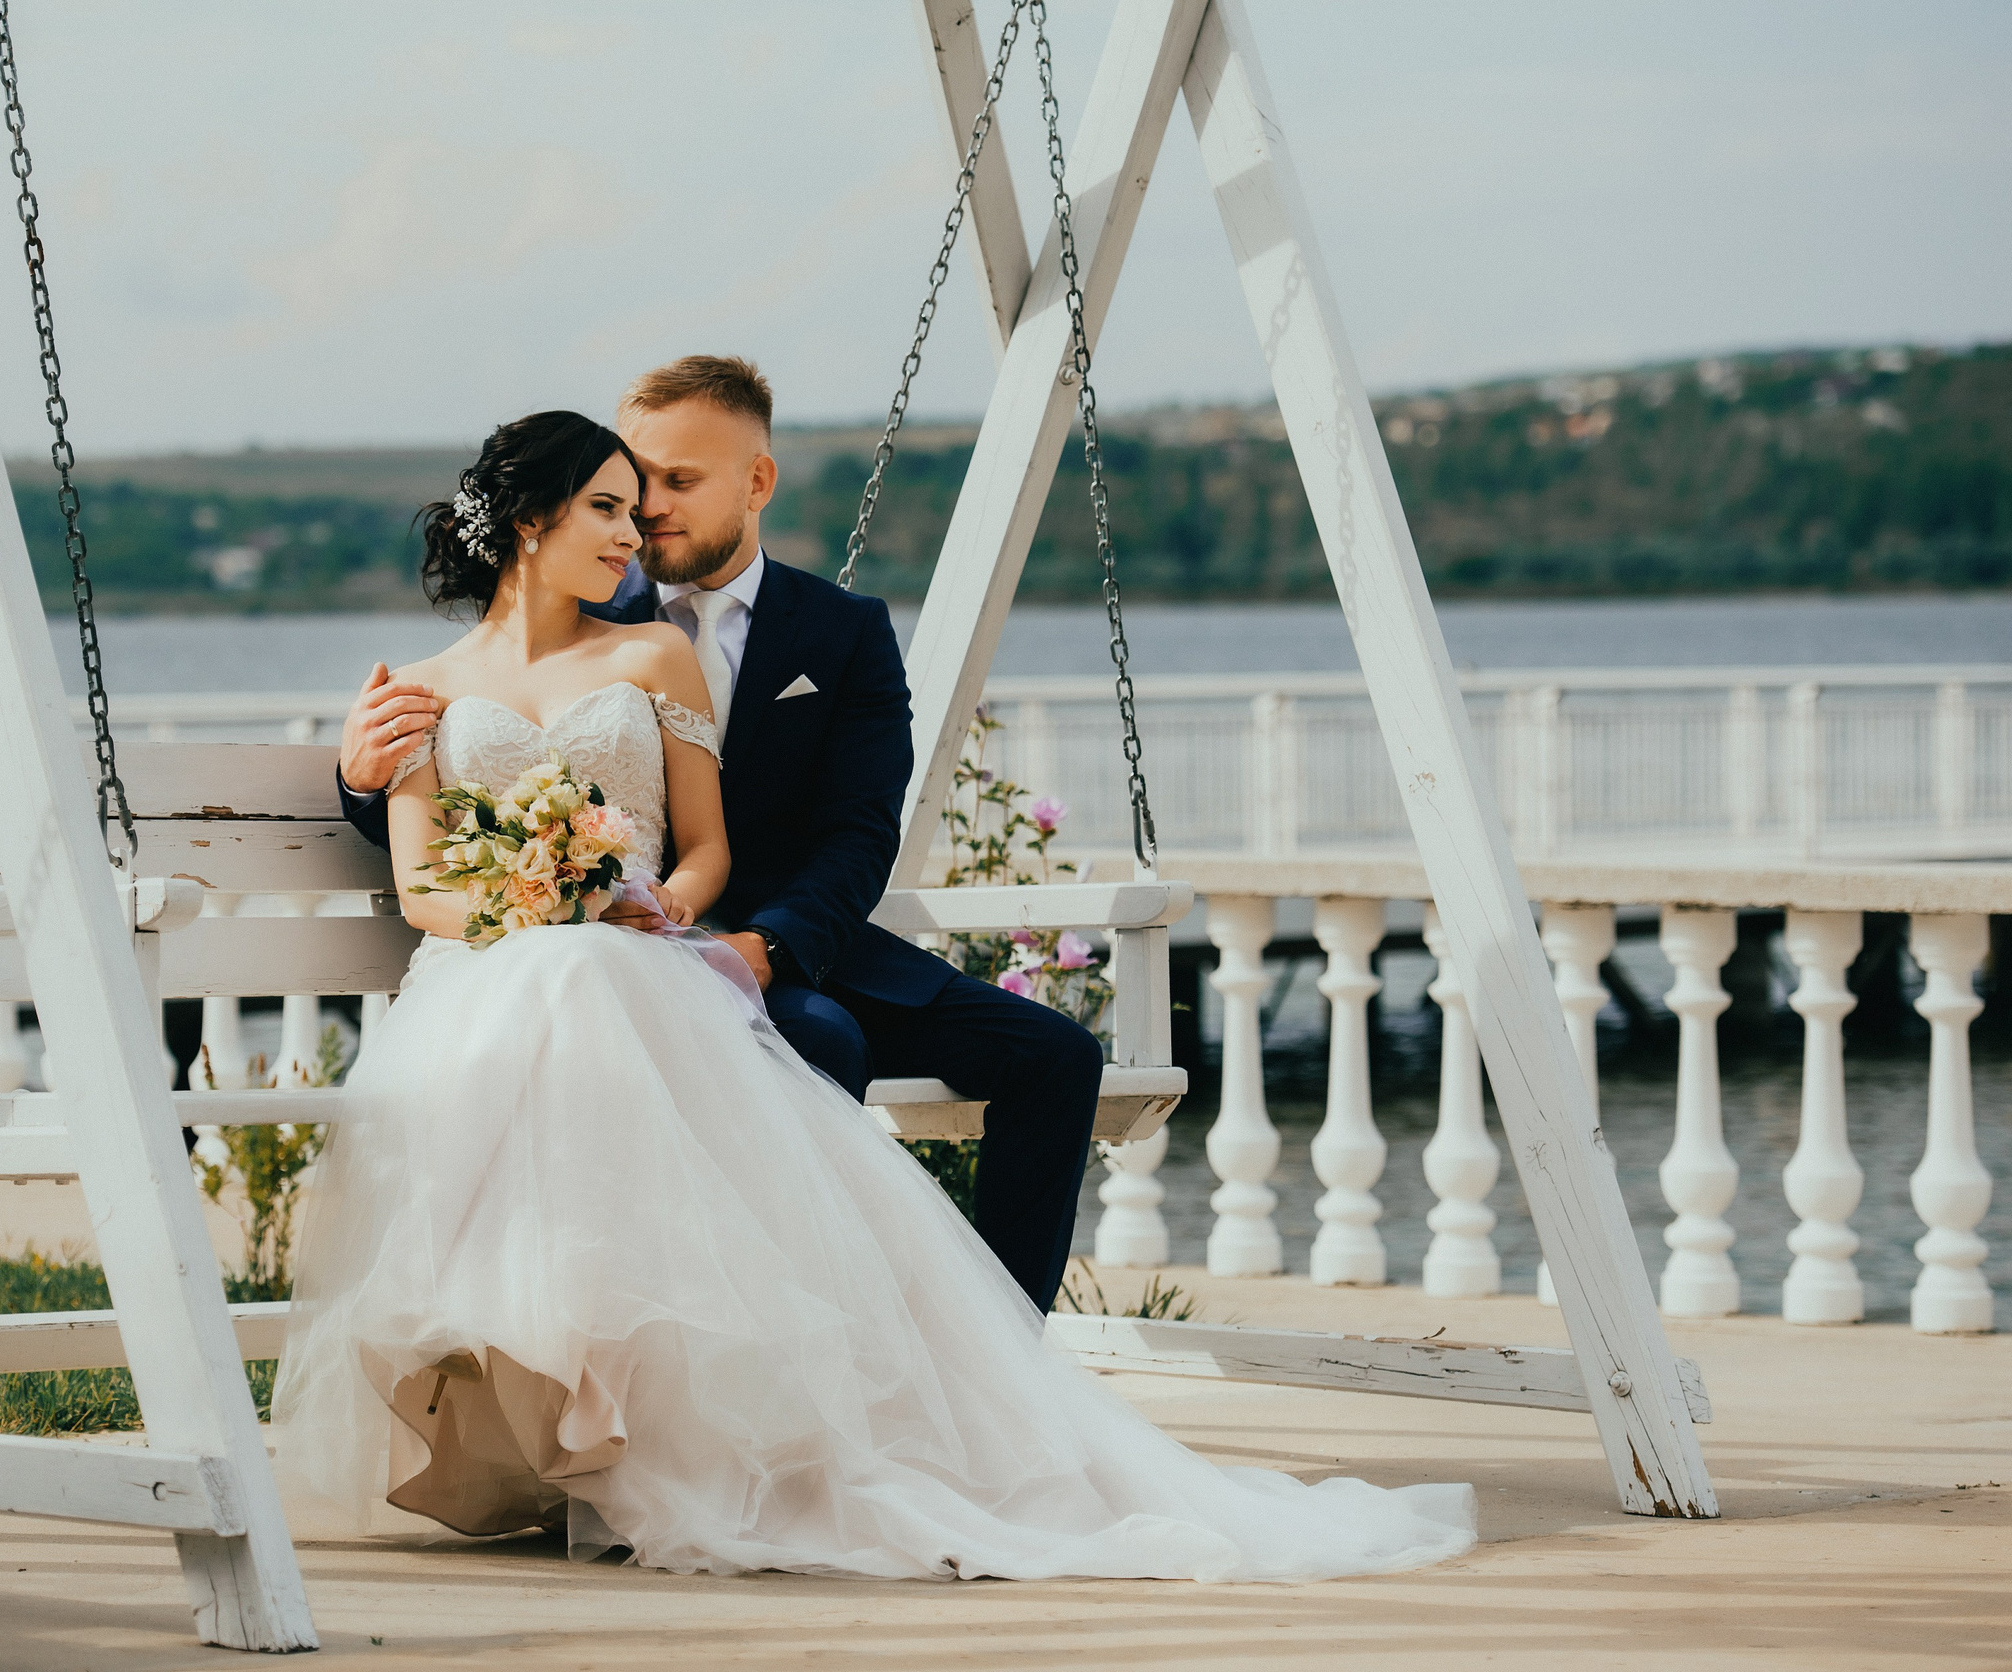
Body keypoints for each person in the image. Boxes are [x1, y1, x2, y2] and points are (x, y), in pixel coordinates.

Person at [270, 404, 1474, 1581]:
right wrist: (381, 794)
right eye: (619, 501)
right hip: (558, 961)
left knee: (1032, 1053)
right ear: (531, 516)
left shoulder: (782, 635)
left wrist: (711, 927)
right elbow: (425, 856)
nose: (642, 525)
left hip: (735, 944)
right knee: (698, 1020)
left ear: (759, 478)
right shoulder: (449, 673)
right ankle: (611, 1423)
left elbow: (812, 837)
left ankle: (975, 1373)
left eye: (661, 494)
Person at [337, 356, 1103, 1315]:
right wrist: (362, 780)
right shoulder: (578, 600)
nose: (645, 511)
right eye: (630, 483)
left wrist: (764, 948)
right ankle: (798, 1341)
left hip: (792, 941)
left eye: (677, 482)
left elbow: (862, 831)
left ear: (758, 482)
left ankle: (998, 1352)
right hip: (609, 960)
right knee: (816, 1048)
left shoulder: (844, 632)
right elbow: (467, 772)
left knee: (1057, 1057)